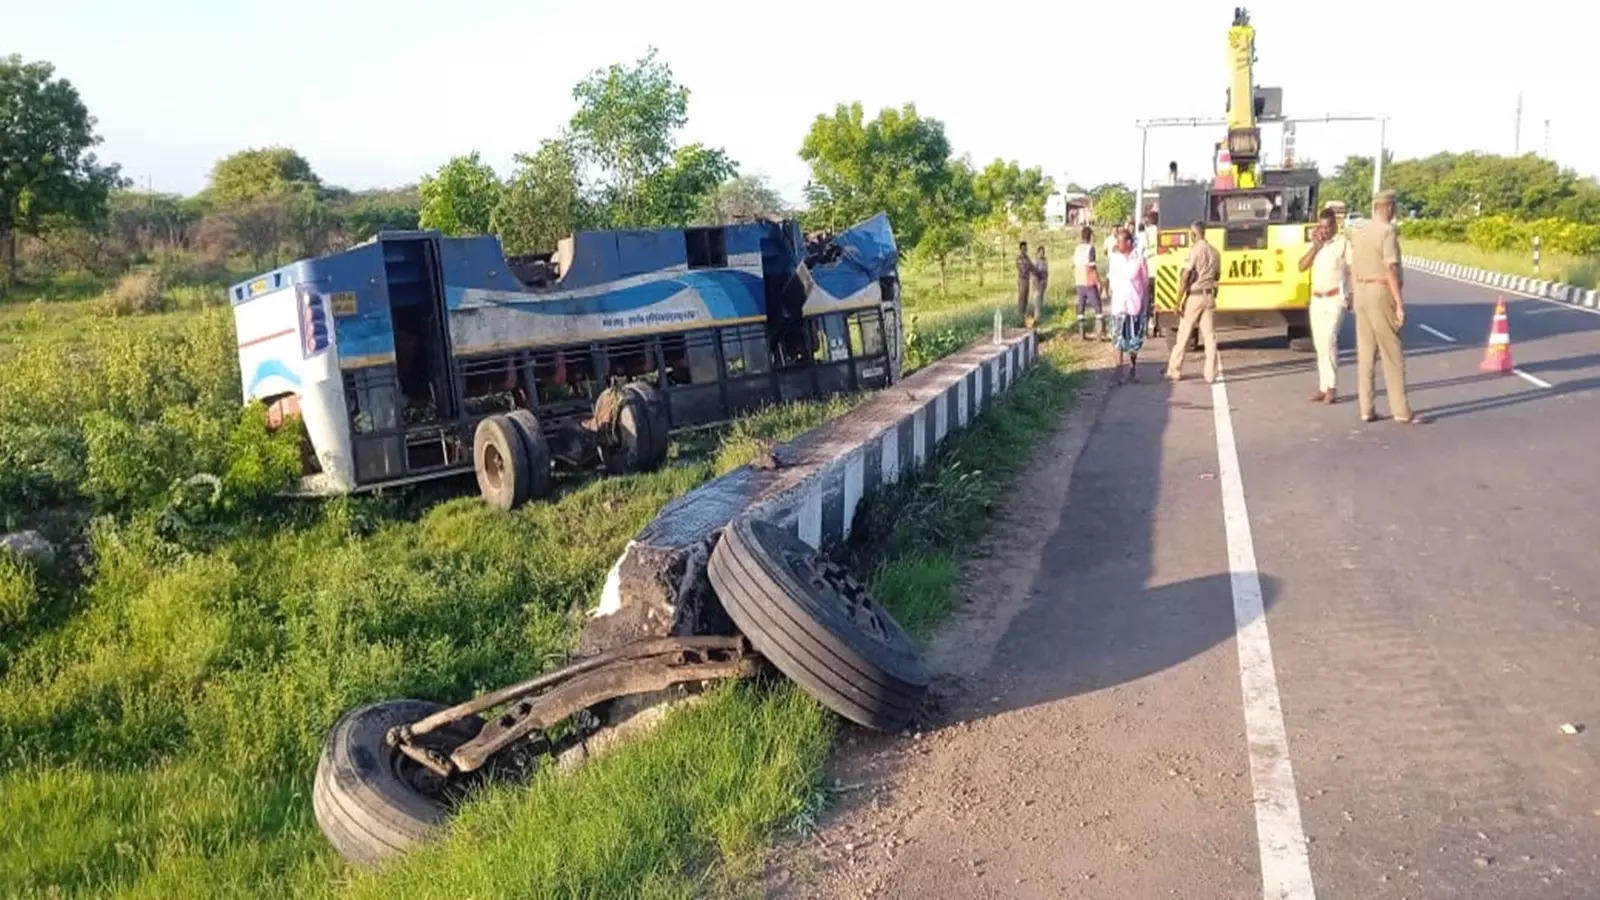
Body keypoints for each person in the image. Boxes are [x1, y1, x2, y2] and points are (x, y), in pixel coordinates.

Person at [1350, 190, 1425, 424]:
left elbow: (1351, 265)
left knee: (1365, 354)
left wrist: (1353, 293)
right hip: (1380, 292)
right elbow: (1390, 268)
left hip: (1361, 291)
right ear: (1389, 207)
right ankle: (1401, 410)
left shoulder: (1359, 231)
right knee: (1392, 354)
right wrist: (1399, 303)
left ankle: (1366, 408)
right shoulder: (1387, 231)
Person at [1298, 207, 1351, 403]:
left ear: (1335, 225)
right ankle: (1323, 386)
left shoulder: (1343, 244)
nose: (1325, 230)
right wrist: (1315, 247)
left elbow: (1352, 269)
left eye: (1328, 227)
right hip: (1317, 300)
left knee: (1329, 339)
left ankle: (1332, 387)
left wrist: (1352, 294)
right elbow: (1301, 266)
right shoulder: (1316, 245)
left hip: (1335, 298)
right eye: (1321, 227)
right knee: (1319, 344)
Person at [1164, 220, 1221, 384]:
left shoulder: (1195, 251)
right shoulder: (1215, 252)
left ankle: (1175, 369)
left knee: (1183, 334)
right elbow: (1217, 276)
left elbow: (1185, 277)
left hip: (1194, 296)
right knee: (1210, 337)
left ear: (1194, 234)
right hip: (1209, 295)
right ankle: (1210, 374)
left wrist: (1178, 301)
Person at [1106, 230, 1148, 383]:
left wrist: (1145, 304)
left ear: (1129, 243)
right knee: (1118, 338)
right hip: (1118, 305)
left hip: (1133, 305)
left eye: (1120, 242)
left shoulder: (1139, 259)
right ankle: (1118, 369)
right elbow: (1110, 279)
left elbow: (1145, 284)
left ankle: (1132, 368)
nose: (1118, 244)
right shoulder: (1114, 259)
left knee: (1133, 339)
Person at [1072, 226, 1106, 340]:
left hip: (1079, 280)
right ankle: (1099, 333)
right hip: (1089, 280)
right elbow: (1092, 266)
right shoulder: (1090, 248)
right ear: (1090, 236)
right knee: (1097, 307)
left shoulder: (1077, 249)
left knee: (1081, 307)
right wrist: (1099, 282)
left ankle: (1082, 334)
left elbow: (1074, 265)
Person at [1030, 245, 1049, 323]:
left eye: (1043, 253)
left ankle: (1039, 317)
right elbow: (1034, 272)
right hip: (1037, 283)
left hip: (1043, 283)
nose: (1041, 254)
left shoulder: (1044, 261)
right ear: (1037, 253)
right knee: (1037, 302)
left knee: (1040, 301)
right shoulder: (1035, 261)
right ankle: (1036, 318)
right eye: (1040, 252)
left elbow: (1046, 271)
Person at [1015, 241, 1033, 320]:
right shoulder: (1019, 258)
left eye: (1026, 247)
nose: (1026, 248)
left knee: (1026, 298)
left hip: (1027, 279)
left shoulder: (1027, 257)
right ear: (1021, 248)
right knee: (1022, 298)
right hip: (1022, 280)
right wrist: (1027, 270)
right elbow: (1022, 269)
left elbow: (1031, 266)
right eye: (1024, 247)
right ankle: (1020, 315)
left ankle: (1024, 315)